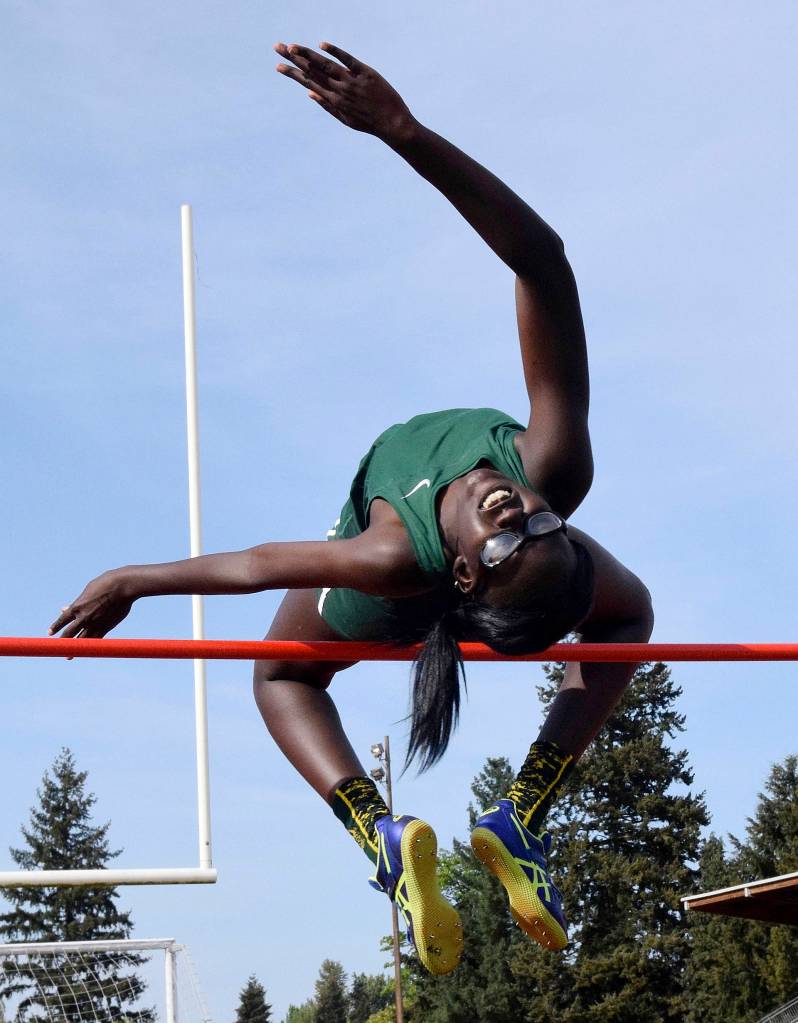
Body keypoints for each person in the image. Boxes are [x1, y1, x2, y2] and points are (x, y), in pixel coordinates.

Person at [49, 42, 654, 976]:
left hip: (394, 593)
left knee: (281, 677)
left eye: (507, 537)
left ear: (465, 573)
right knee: (630, 610)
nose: (515, 510)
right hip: (472, 582)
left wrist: (135, 577)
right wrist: (404, 134)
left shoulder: (391, 560)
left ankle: (385, 829)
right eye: (536, 521)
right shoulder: (555, 467)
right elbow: (544, 262)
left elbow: (256, 565)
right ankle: (517, 816)